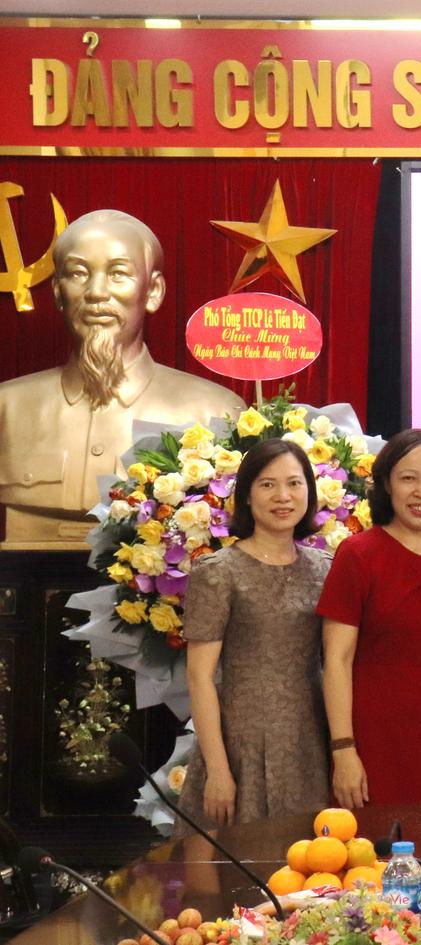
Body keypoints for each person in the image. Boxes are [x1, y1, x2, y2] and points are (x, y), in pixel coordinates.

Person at [0, 209, 243, 547]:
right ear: (57, 291)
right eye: (78, 273)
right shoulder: (6, 408)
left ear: (153, 291)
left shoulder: (214, 411)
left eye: (118, 274)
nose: (96, 292)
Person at [318, 429, 421, 807]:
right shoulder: (358, 554)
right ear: (386, 484)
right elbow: (337, 660)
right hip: (372, 735)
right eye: (408, 478)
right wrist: (343, 749)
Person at [175, 438, 330, 832]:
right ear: (245, 495)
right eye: (267, 485)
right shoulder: (219, 571)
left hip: (312, 738)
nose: (283, 496)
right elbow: (199, 677)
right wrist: (218, 770)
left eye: (294, 483)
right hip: (242, 738)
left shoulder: (325, 568)